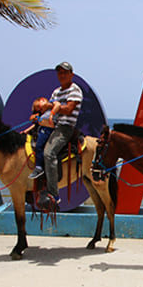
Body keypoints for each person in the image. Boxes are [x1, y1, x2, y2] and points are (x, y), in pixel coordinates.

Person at [44, 61, 83, 203]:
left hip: (65, 128)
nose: (62, 75)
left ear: (71, 74)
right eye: (60, 73)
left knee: (49, 153)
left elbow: (69, 109)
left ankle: (53, 194)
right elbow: (49, 110)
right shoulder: (56, 91)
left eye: (65, 72)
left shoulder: (75, 90)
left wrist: (53, 107)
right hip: (52, 126)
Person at [26, 97, 59, 179]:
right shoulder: (44, 113)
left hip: (47, 130)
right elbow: (36, 123)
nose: (39, 109)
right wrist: (26, 131)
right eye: (38, 109)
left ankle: (39, 167)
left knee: (39, 146)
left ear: (43, 101)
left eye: (39, 107)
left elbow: (49, 123)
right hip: (43, 129)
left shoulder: (51, 107)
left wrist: (39, 119)